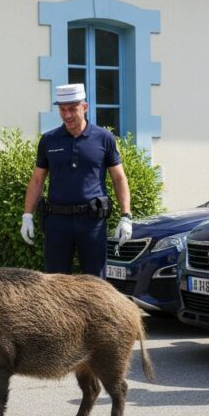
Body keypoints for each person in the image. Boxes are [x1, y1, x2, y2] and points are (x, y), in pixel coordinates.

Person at [20, 83, 133, 276]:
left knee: (95, 284)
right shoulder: (49, 140)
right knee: (54, 285)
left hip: (91, 222)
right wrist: (27, 215)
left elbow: (119, 178)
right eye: (62, 110)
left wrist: (126, 216)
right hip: (57, 222)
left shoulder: (104, 138)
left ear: (85, 107)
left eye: (73, 109)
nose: (67, 115)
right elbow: (38, 180)